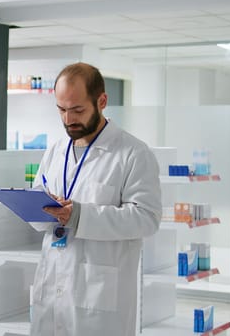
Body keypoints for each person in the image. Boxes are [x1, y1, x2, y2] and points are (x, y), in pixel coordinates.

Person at [30, 62, 162, 336]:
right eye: (62, 110)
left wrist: (79, 216)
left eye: (77, 110)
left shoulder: (133, 153)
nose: (68, 120)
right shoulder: (56, 151)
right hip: (52, 289)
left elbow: (147, 218)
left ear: (101, 101)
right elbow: (38, 206)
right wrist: (37, 210)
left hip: (98, 298)